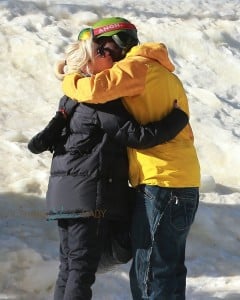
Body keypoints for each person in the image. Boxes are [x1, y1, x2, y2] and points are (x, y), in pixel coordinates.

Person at [28, 29, 189, 300]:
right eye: (100, 52)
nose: (109, 55)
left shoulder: (70, 100)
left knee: (68, 267)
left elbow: (40, 142)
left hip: (63, 198)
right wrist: (177, 119)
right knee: (80, 270)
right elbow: (137, 136)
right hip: (87, 198)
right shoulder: (100, 102)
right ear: (88, 63)